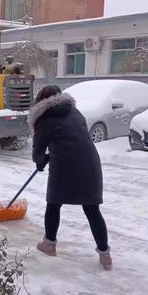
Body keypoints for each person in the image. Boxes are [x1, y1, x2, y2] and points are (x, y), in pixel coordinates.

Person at [28, 85, 112, 270]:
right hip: (90, 164)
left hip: (65, 165)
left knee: (54, 204)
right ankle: (105, 255)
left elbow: (38, 152)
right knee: (92, 209)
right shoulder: (75, 112)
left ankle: (49, 244)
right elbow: (73, 136)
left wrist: (41, 161)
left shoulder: (44, 120)